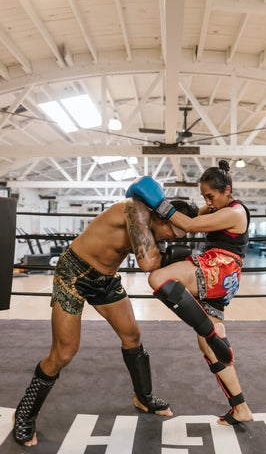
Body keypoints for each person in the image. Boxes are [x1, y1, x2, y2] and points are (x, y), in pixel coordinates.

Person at [13, 197, 198, 446]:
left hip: (105, 280)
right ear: (162, 215)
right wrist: (175, 256)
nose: (173, 238)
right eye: (174, 231)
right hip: (73, 275)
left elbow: (168, 243)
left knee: (132, 336)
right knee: (64, 353)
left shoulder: (154, 224)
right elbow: (148, 263)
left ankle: (144, 397)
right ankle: (24, 412)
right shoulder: (135, 212)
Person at [126, 160, 253, 426]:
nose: (208, 201)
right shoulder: (219, 206)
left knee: (158, 277)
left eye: (211, 195)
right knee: (211, 348)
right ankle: (240, 407)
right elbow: (190, 216)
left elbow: (191, 226)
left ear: (227, 190)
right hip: (223, 276)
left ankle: (209, 332)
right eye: (205, 196)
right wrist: (157, 207)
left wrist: (159, 202)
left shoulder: (235, 212)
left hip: (221, 267)